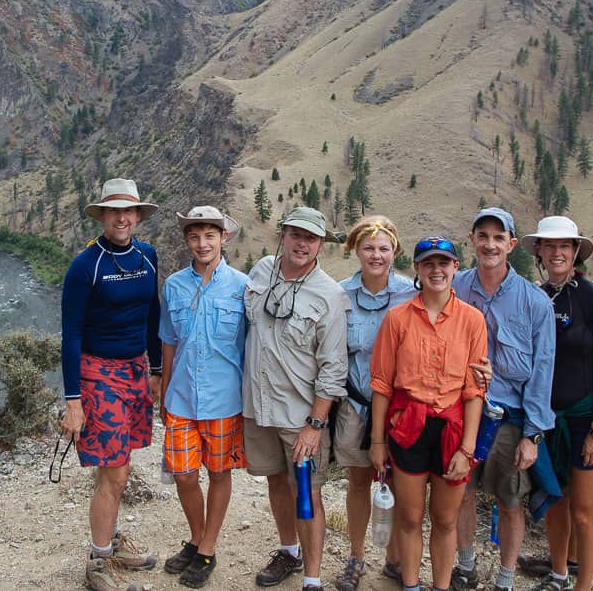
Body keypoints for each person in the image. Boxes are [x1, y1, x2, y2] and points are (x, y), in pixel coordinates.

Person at [369, 235, 488, 591]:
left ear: (455, 267)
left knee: (446, 519)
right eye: (429, 264)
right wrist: (377, 442)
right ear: (417, 270)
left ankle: (440, 585)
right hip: (408, 427)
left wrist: (468, 450)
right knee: (409, 517)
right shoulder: (397, 319)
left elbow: (474, 391)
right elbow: (382, 385)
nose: (437, 270)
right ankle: (410, 584)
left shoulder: (472, 321)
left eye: (444, 263)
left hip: (452, 430)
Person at [60, 178, 162, 591]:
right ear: (102, 215)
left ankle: (111, 541)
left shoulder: (148, 256)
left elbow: (152, 315)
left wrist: (155, 370)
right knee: (114, 473)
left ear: (138, 216)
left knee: (122, 463)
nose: (122, 218)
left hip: (136, 370)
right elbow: (71, 334)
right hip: (98, 374)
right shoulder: (86, 266)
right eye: (114, 211)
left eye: (129, 211)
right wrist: (73, 400)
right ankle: (98, 561)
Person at [242, 206, 349, 591]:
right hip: (258, 408)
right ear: (283, 235)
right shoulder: (261, 271)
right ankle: (289, 551)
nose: (302, 244)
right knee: (274, 481)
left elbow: (334, 368)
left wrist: (315, 425)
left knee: (307, 492)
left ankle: (313, 579)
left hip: (300, 416)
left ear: (321, 244)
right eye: (296, 234)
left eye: (311, 238)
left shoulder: (330, 296)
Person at [451, 207, 556, 591]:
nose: (490, 244)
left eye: (499, 237)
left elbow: (542, 371)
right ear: (472, 240)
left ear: (512, 245)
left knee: (511, 501)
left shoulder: (535, 303)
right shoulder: (454, 288)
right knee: (460, 492)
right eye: (483, 236)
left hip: (509, 418)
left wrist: (533, 435)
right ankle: (465, 567)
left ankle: (506, 580)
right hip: (460, 414)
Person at [517, 217, 593, 591]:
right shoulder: (535, 297)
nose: (557, 253)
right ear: (539, 252)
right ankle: (559, 575)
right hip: (546, 421)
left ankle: (584, 585)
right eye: (550, 246)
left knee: (584, 509)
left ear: (576, 252)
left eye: (565, 246)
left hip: (585, 419)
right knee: (556, 502)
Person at [158, 206, 250, 589]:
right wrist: (162, 392)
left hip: (225, 399)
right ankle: (196, 537)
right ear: (186, 240)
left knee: (219, 472)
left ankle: (207, 546)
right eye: (195, 236)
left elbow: (251, 347)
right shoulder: (174, 286)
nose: (202, 243)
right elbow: (168, 342)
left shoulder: (243, 286)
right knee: (182, 473)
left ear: (223, 238)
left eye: (210, 235)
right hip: (180, 397)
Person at [333, 215, 417, 591]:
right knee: (358, 481)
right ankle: (355, 556)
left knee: (400, 483)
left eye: (384, 248)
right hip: (355, 402)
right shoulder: (340, 294)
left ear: (395, 251)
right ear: (356, 250)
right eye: (368, 247)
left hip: (400, 408)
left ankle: (394, 559)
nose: (376, 255)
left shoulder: (410, 294)